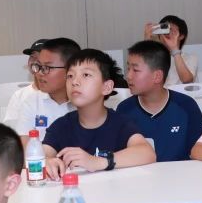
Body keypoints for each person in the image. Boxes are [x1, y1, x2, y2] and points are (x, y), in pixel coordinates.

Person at [42, 49, 156, 179]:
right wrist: (46, 161)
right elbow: (39, 156)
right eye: (70, 76)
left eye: (86, 75)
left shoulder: (120, 123)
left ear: (107, 87)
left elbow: (147, 153)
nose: (75, 82)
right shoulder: (61, 126)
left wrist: (98, 162)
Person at [116, 39, 202, 162]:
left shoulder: (186, 106)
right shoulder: (124, 109)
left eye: (135, 70)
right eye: (128, 69)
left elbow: (200, 151)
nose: (128, 76)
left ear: (157, 76)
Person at [2, 37, 79, 140]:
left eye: (47, 67)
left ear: (70, 70)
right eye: (38, 66)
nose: (39, 73)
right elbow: (25, 145)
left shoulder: (86, 102)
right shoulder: (31, 102)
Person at [143, 14, 197, 85]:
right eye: (164, 29)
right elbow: (142, 76)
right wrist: (147, 41)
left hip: (179, 92)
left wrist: (174, 49)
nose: (167, 33)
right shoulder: (154, 57)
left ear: (181, 36)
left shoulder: (190, 58)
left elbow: (187, 80)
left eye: (170, 29)